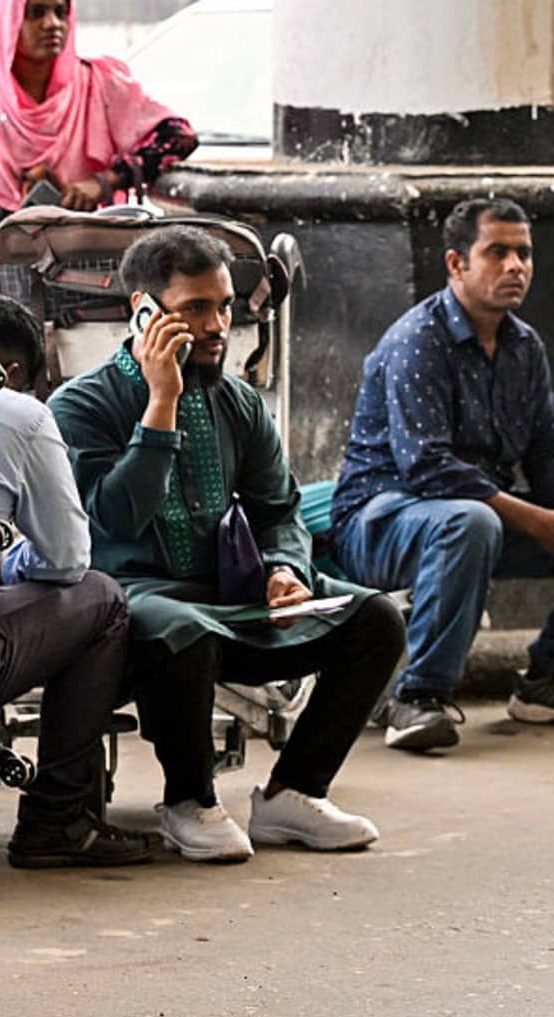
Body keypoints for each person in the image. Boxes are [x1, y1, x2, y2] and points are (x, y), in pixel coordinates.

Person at [48, 226, 406, 864]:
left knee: (375, 619)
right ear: (145, 312)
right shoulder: (84, 405)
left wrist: (285, 569)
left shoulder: (238, 402)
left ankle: (292, 793)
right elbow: (114, 521)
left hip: (230, 600)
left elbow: (278, 509)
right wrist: (161, 406)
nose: (219, 325)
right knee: (181, 625)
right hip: (136, 605)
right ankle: (190, 801)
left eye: (225, 306)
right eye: (196, 309)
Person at [332, 198, 554, 750]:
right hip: (382, 523)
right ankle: (418, 697)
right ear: (457, 264)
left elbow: (548, 450)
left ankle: (552, 678)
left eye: (524, 253)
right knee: (471, 521)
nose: (515, 266)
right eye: (497, 252)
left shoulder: (524, 346)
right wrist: (543, 524)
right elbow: (428, 468)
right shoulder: (418, 341)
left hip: (481, 521)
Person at [0, 294, 151, 867]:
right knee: (101, 598)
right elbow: (69, 560)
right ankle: (58, 816)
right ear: (15, 372)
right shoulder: (19, 413)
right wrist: (15, 560)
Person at [0, 0, 196, 222]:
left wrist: (103, 182)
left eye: (60, 11)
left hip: (83, 257)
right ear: (2, 21)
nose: (53, 24)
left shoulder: (97, 83)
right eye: (36, 12)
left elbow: (179, 136)